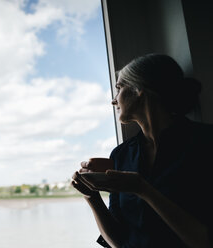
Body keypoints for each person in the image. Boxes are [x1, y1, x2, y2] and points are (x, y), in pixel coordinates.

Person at [71, 53, 213, 248]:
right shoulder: (121, 155)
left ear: (139, 90)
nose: (114, 100)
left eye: (119, 88)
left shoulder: (205, 144)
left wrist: (142, 188)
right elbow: (119, 243)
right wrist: (91, 196)